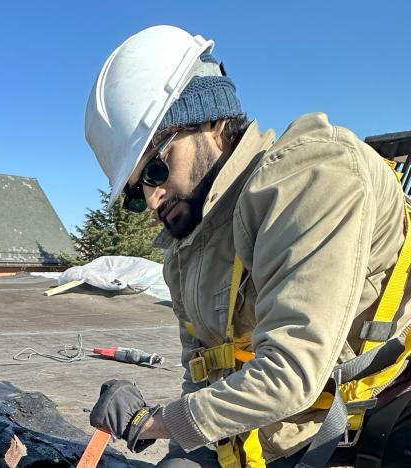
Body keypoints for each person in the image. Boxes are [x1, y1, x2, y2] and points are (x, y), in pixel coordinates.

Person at [84, 25, 411, 467]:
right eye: (134, 189)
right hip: (268, 430)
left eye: (156, 169)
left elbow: (290, 375)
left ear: (216, 125)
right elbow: (203, 371)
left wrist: (153, 423)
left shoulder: (313, 178)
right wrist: (178, 441)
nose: (150, 198)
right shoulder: (189, 245)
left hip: (365, 414)